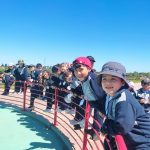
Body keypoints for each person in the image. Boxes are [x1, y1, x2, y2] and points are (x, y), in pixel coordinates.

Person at [98, 61, 150, 150]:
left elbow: (122, 126)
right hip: (130, 137)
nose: (107, 82)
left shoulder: (124, 99)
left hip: (141, 142)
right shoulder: (111, 94)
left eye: (113, 79)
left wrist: (105, 127)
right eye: (104, 79)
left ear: (122, 82)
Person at [72, 56, 106, 139]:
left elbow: (101, 95)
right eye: (76, 71)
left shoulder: (92, 79)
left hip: (100, 105)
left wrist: (103, 110)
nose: (78, 73)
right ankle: (93, 129)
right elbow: (85, 90)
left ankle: (97, 132)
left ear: (89, 68)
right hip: (93, 102)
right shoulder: (84, 78)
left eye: (81, 70)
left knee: (98, 116)